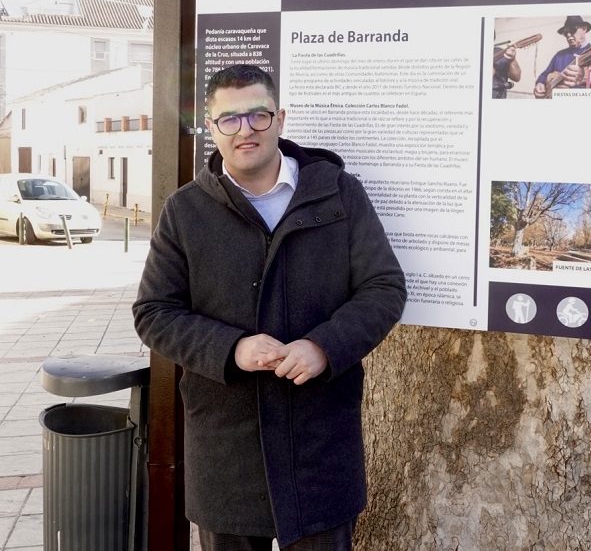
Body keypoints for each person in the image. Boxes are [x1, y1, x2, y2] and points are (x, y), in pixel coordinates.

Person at [132, 64, 406, 550]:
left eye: (257, 116)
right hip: (226, 445)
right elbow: (154, 311)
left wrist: (325, 346)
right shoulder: (186, 210)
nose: (245, 131)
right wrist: (232, 349)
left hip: (319, 438)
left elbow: (383, 287)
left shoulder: (338, 193)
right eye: (229, 120)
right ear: (211, 128)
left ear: (280, 118)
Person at [534, 15, 591, 98]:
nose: (568, 35)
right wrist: (540, 83)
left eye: (572, 30)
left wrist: (585, 79)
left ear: (584, 29)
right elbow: (544, 75)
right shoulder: (559, 55)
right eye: (565, 32)